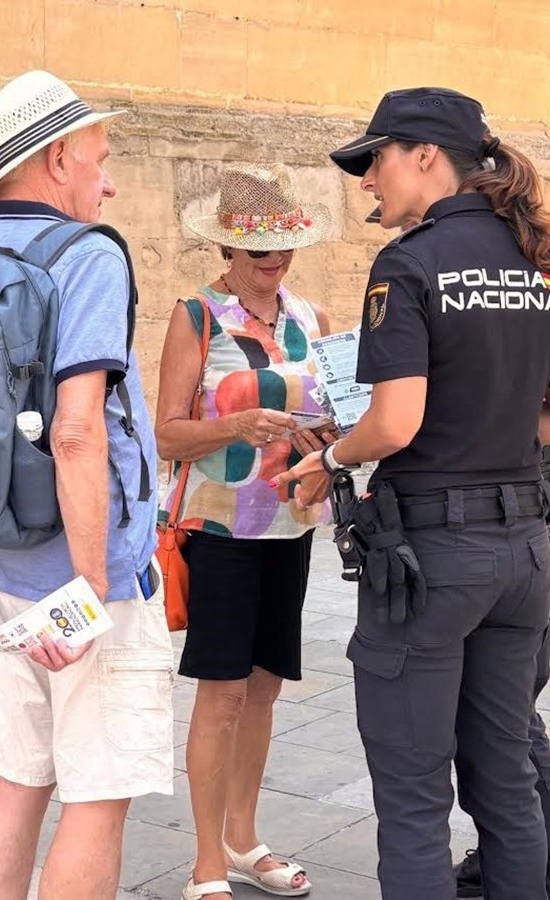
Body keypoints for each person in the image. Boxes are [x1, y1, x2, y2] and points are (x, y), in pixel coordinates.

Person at [274, 87, 550, 900]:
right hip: (524, 555)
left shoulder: (411, 263)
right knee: (505, 781)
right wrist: (488, 414)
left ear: (425, 156)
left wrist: (330, 458)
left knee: (415, 796)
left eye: (375, 159)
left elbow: (393, 424)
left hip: (432, 559)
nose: (366, 180)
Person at [0, 70, 173, 900]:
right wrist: (93, 583)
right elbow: (76, 430)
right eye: (101, 159)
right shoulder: (87, 254)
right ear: (58, 159)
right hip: (88, 570)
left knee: (18, 778)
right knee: (97, 797)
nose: (109, 182)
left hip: (1, 556)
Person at [155, 163, 334, 900]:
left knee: (264, 689)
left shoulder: (312, 317)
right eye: (258, 247)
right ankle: (206, 861)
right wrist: (236, 425)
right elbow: (167, 434)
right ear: (227, 247)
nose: (274, 258)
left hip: (291, 523)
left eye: (284, 245)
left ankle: (243, 838)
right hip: (220, 527)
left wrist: (327, 446)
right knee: (222, 692)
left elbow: (334, 414)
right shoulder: (197, 315)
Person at [452, 267, 550, 900]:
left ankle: (543, 879)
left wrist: (440, 417)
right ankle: (508, 854)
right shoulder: (534, 264)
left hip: (535, 488)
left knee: (509, 705)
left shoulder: (540, 270)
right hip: (528, 487)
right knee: (495, 700)